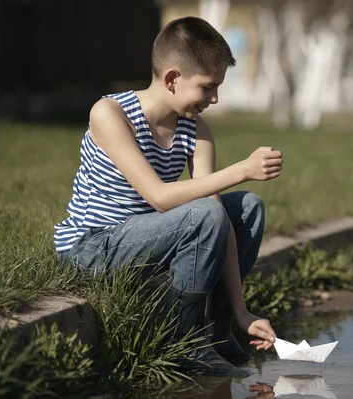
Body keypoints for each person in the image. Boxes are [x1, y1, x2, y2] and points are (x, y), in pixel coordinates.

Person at [53, 16, 283, 376]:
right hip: (93, 245)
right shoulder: (110, 113)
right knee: (205, 213)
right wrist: (241, 170)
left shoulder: (196, 130)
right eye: (208, 87)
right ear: (172, 78)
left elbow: (217, 217)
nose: (215, 98)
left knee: (247, 208)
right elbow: (159, 196)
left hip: (145, 238)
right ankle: (185, 344)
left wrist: (242, 311)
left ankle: (218, 332)